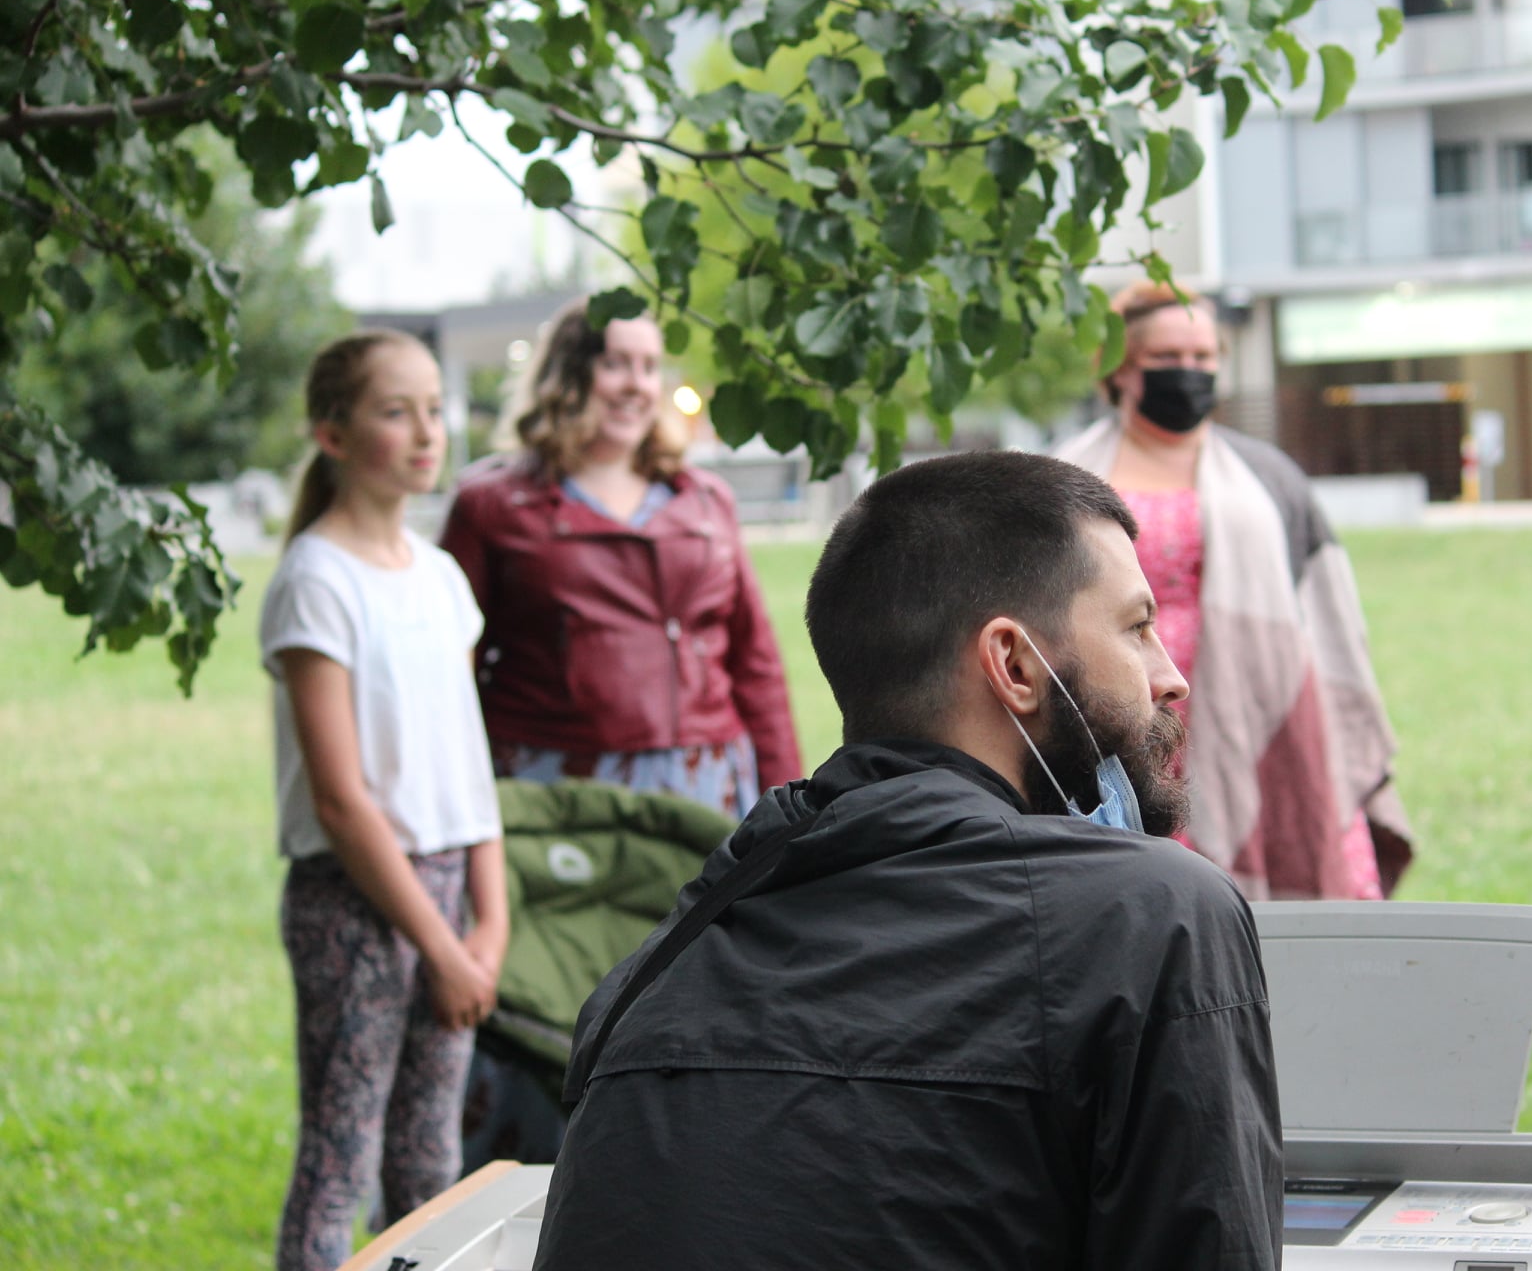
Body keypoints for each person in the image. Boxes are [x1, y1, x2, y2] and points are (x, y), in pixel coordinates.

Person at [533, 451, 1283, 1270]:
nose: (1169, 679)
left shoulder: (665, 958)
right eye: (1137, 627)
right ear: (1017, 665)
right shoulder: (1155, 917)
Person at [259, 331, 508, 1271]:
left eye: (435, 409)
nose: (425, 431)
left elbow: (465, 762)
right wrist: (440, 946)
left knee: (431, 1161)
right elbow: (339, 797)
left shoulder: (443, 581)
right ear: (331, 434)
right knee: (341, 1155)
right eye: (395, 411)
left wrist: (490, 921)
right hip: (355, 902)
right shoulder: (316, 581)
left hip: (449, 897)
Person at [1055, 282, 1413, 900]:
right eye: (1167, 360)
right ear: (1120, 368)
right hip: (1119, 718)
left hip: (1260, 720)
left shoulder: (1269, 477)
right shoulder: (1064, 476)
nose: (1189, 373)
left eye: (1204, 358)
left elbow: (1329, 615)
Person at [439, 299, 801, 818]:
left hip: (705, 781)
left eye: (649, 367)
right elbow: (449, 670)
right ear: (566, 372)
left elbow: (755, 662)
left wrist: (785, 805)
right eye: (615, 363)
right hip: (552, 784)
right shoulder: (492, 504)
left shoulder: (705, 500)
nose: (637, 384)